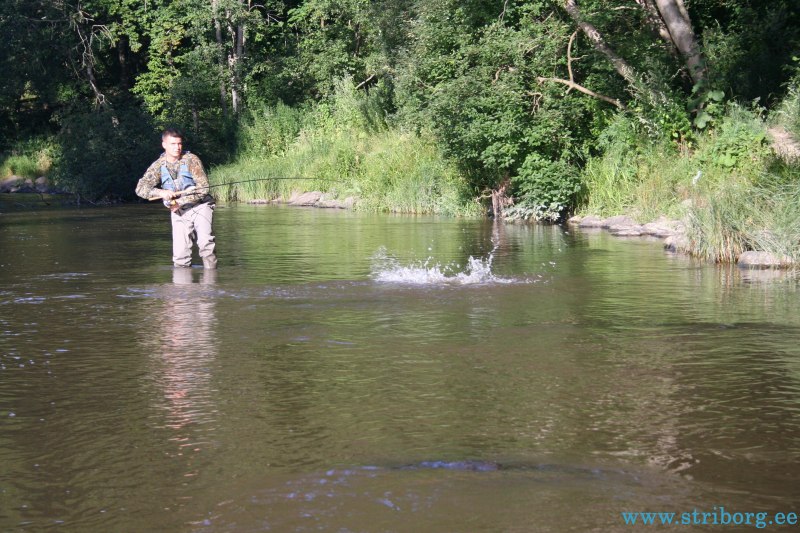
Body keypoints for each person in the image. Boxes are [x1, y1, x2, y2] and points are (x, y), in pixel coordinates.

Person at [136, 128, 217, 269]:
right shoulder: (158, 166)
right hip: (178, 211)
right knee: (180, 256)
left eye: (179, 144)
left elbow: (203, 188)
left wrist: (180, 200)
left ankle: (210, 286)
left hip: (201, 206)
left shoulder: (191, 160)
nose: (177, 147)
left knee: (206, 245)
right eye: (173, 144)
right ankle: (182, 289)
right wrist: (161, 192)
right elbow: (140, 189)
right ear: (164, 145)